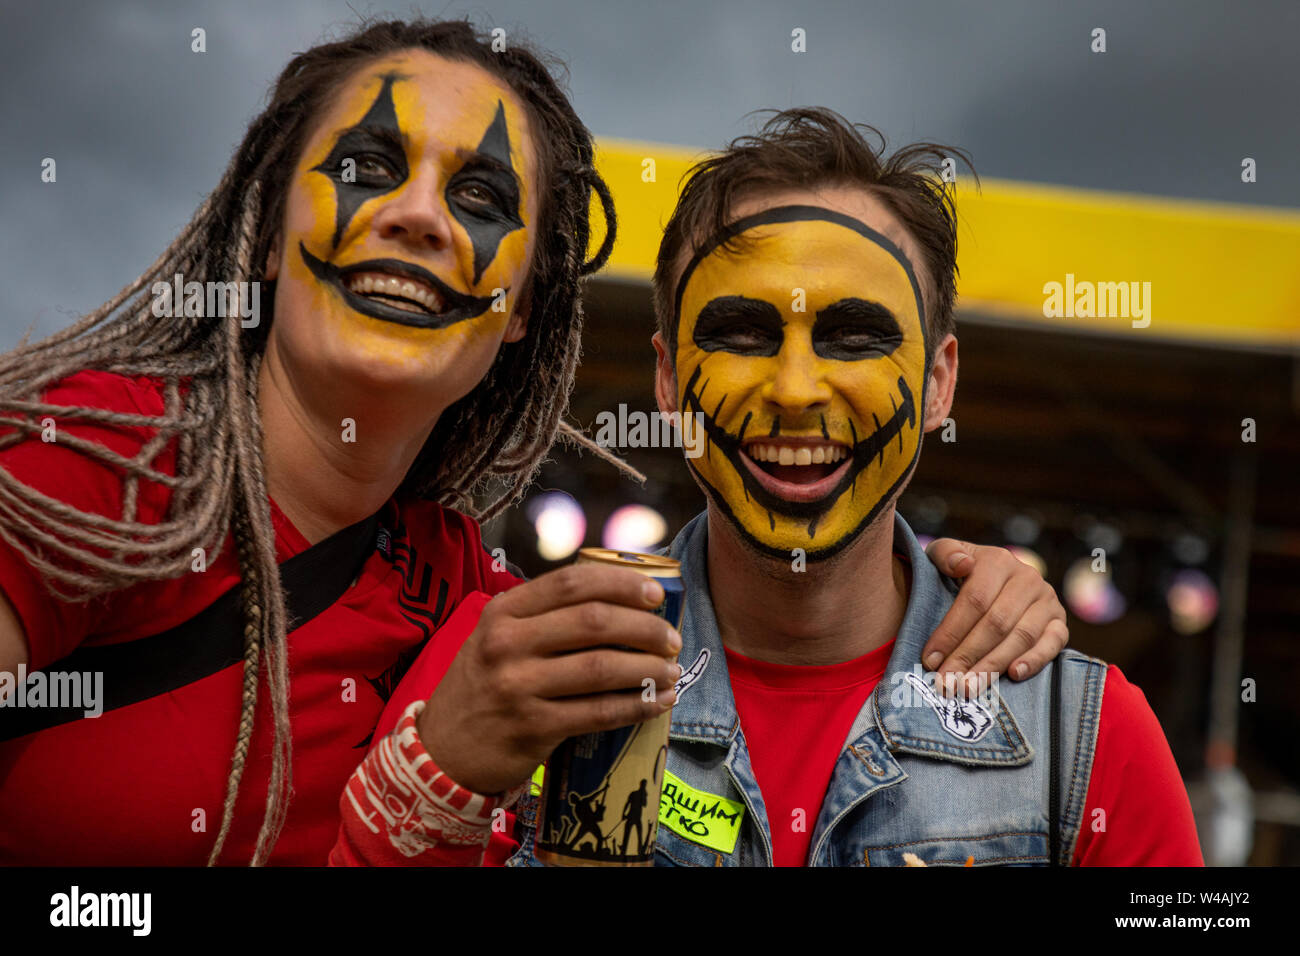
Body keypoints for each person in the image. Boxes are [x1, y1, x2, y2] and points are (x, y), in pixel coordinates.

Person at [0, 20, 1055, 868]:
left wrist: (970, 590)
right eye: (370, 165)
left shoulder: (473, 600)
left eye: (479, 197)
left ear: (517, 309)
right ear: (268, 228)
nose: (419, 217)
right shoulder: (106, 461)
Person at [328, 114, 1094, 867]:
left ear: (938, 383)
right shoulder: (494, 666)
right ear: (667, 378)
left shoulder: (1081, 736)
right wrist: (441, 783)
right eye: (742, 335)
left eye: (855, 338)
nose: (795, 391)